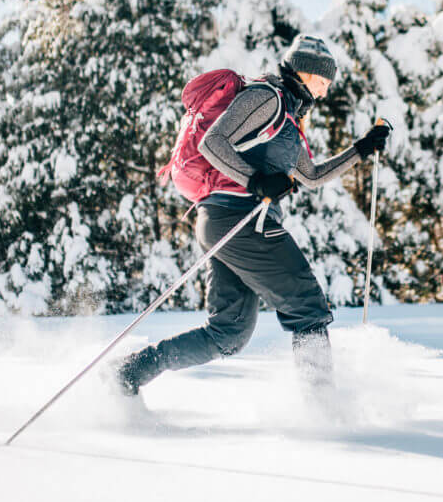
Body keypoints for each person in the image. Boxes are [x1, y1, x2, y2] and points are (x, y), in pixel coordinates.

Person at [114, 34, 390, 398]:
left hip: (231, 223)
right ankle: (323, 407)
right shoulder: (266, 98)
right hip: (236, 216)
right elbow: (211, 143)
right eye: (323, 82)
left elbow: (310, 176)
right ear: (306, 73)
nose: (324, 93)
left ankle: (129, 373)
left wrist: (361, 148)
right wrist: (256, 180)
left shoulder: (289, 120)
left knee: (227, 334)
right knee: (307, 305)